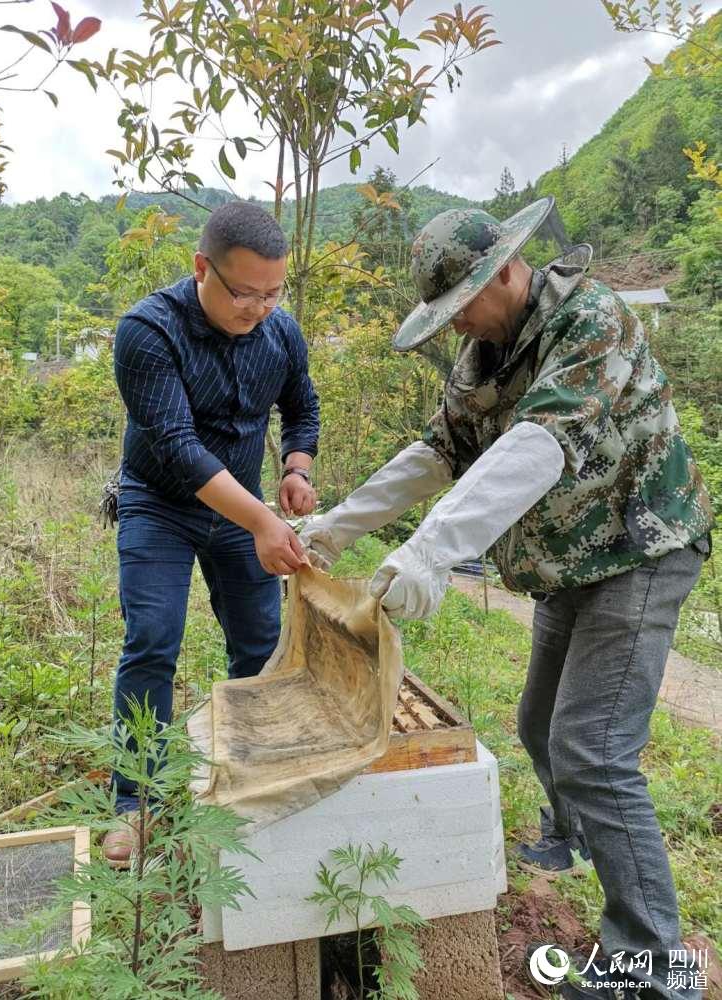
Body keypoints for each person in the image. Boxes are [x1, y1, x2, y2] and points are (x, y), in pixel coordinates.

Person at [300, 197, 714, 1000]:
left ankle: (655, 962)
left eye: (462, 307)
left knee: (592, 749)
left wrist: (431, 550)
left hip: (640, 549)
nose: (455, 326)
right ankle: (576, 840)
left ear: (506, 271)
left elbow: (537, 447)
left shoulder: (592, 320)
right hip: (571, 563)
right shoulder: (483, 354)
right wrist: (339, 529)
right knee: (537, 725)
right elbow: (440, 450)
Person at [103, 201, 319, 865]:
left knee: (258, 642)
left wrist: (294, 467)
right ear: (202, 268)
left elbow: (301, 404)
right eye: (244, 292)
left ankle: (246, 772)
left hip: (244, 506)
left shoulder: (280, 333)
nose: (258, 307)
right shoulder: (147, 331)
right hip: (159, 506)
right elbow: (173, 445)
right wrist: (260, 519)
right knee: (152, 640)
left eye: (272, 292)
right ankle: (135, 801)